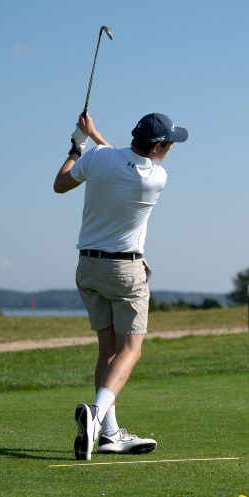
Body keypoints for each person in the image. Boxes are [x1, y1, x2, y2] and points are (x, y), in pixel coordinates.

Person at [53, 111, 188, 460]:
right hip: (124, 272)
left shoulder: (99, 159)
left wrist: (79, 143)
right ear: (158, 147)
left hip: (88, 267)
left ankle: (110, 435)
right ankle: (97, 417)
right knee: (131, 351)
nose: (171, 148)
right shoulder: (156, 177)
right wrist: (95, 137)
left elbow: (61, 183)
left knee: (108, 351)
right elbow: (124, 164)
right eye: (170, 143)